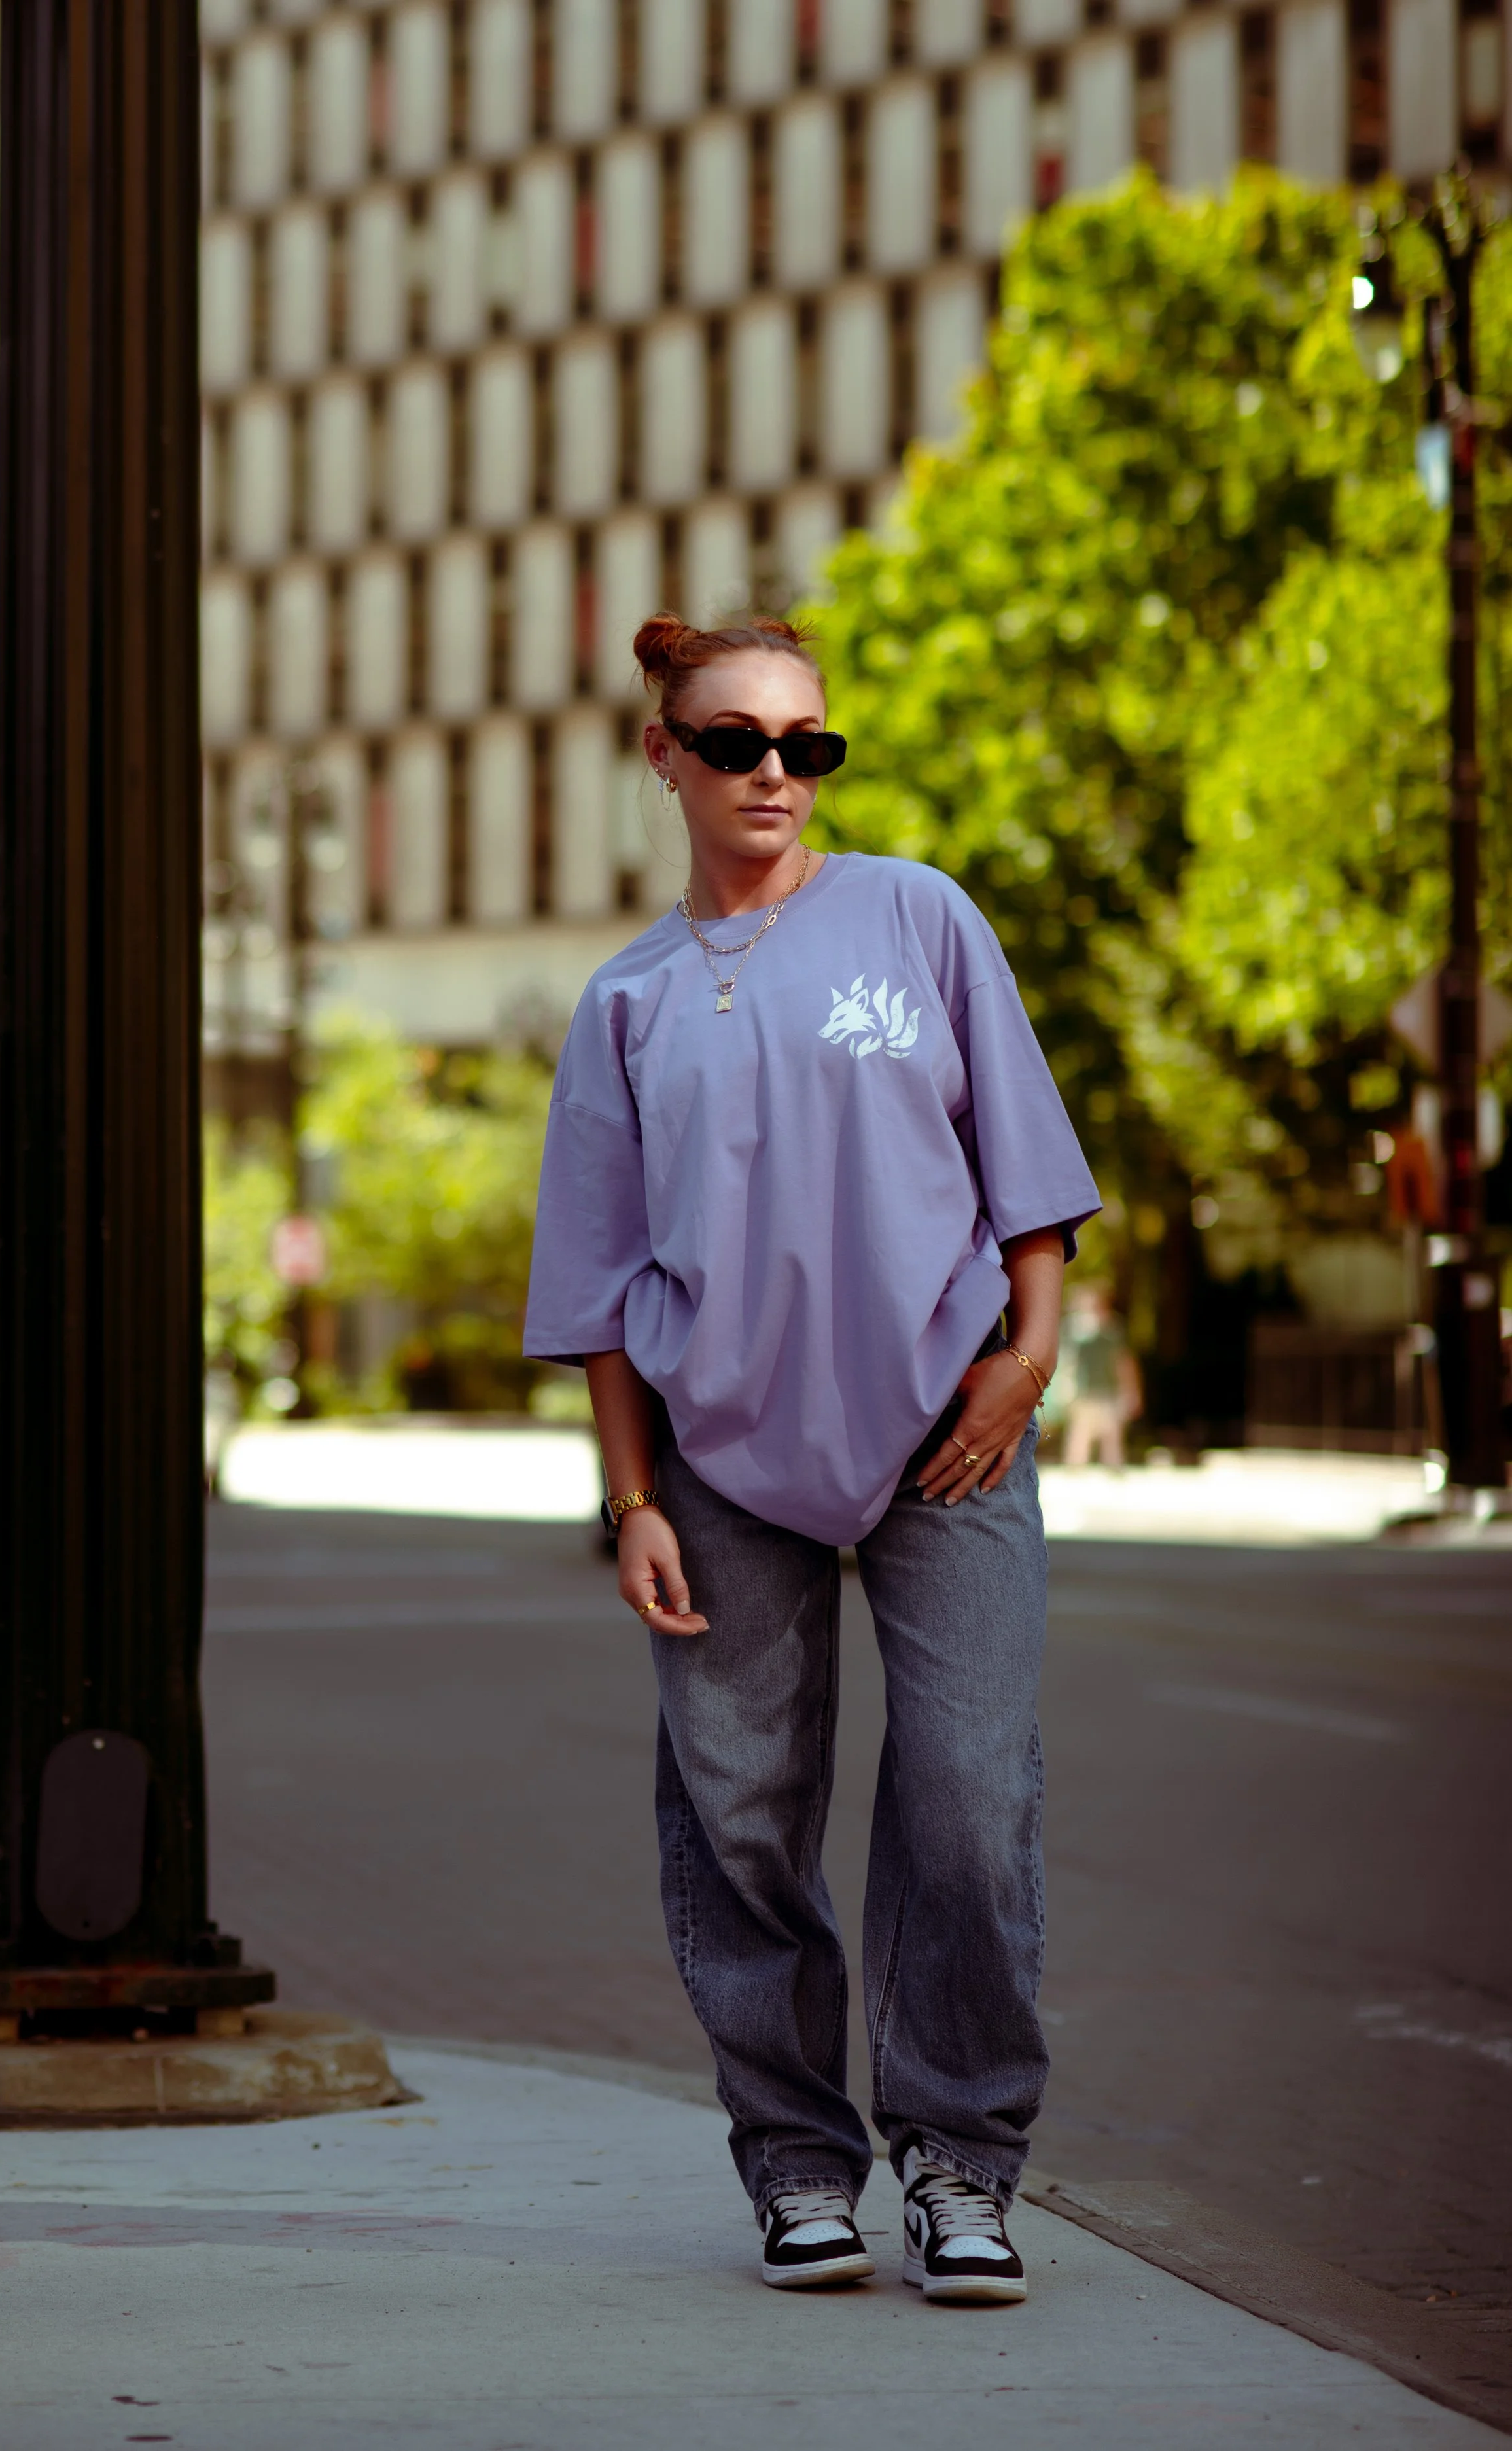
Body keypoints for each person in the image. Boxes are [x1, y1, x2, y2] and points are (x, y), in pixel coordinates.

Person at [524, 612, 1099, 2304]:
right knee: (740, 1824)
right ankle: (794, 2161)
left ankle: (958, 2158)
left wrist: (1026, 1363)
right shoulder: (624, 1003)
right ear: (664, 756)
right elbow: (604, 1293)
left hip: (947, 1430)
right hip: (715, 1461)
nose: (773, 773)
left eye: (804, 744)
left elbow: (1030, 1180)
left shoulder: (914, 918)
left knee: (969, 1802)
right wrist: (629, 1497)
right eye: (734, 742)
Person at [1059, 1284, 1142, 1471]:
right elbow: (1066, 1361)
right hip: (1084, 1394)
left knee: (1112, 1444)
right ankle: (1076, 1484)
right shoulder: (1073, 1329)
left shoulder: (1112, 1330)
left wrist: (1131, 1392)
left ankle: (1113, 1484)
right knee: (1079, 1443)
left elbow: (1123, 1363)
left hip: (1107, 1394)